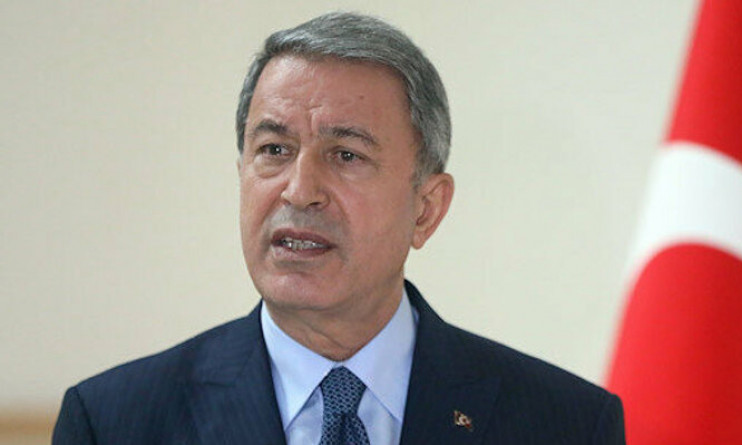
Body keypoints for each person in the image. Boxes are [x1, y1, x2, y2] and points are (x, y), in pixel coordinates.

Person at [53, 12, 625, 444]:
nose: (299, 190)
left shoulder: (566, 424)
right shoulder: (113, 422)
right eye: (274, 150)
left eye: (346, 155)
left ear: (426, 209)